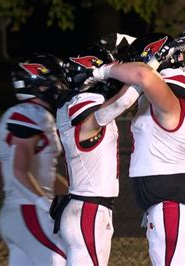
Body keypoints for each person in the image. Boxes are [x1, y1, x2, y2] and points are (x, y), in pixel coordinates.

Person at [90, 31, 185, 265]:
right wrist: (119, 40)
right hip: (177, 200)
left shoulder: (171, 90)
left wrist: (101, 71)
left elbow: (144, 75)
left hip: (175, 205)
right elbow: (148, 63)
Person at [53, 45, 142, 266]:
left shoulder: (72, 105)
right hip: (89, 209)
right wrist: (150, 69)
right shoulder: (80, 105)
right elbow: (123, 101)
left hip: (87, 207)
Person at [0, 53, 69, 265]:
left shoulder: (35, 115)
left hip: (19, 211)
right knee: (67, 260)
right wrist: (46, 205)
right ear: (41, 86)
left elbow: (47, 173)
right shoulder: (30, 113)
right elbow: (20, 170)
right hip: (28, 210)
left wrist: (74, 195)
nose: (61, 87)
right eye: (56, 81)